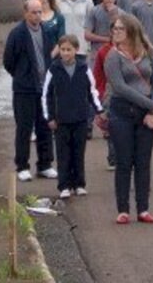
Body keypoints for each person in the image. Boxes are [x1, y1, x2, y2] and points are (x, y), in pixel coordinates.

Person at [101, 13, 153, 224]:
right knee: (124, 161)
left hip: (145, 113)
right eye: (114, 29)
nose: (115, 32)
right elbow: (120, 87)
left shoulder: (149, 52)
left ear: (131, 30)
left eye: (120, 29)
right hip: (122, 111)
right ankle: (123, 209)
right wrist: (151, 104)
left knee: (143, 162)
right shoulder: (112, 56)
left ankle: (143, 208)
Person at [3, 0, 58, 182]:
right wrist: (22, 75)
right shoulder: (17, 34)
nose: (37, 16)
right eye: (33, 12)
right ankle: (22, 166)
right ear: (25, 13)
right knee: (24, 128)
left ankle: (45, 164)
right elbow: (8, 61)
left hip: (44, 88)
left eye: (39, 12)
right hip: (24, 89)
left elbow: (50, 54)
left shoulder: (47, 31)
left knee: (44, 127)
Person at [42, 34, 103, 199]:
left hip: (80, 119)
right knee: (63, 154)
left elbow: (92, 91)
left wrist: (99, 110)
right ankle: (64, 185)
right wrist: (50, 117)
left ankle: (79, 184)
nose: (66, 53)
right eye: (63, 50)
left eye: (69, 50)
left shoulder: (84, 69)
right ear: (59, 51)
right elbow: (46, 94)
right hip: (61, 120)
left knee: (78, 152)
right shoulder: (54, 69)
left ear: (76, 50)